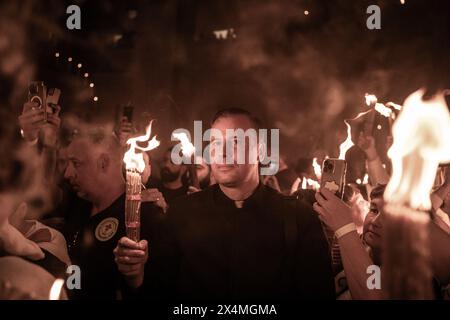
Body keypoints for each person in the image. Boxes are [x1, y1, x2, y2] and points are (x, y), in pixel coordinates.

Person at [115, 107, 335, 300]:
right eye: (215, 142)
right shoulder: (182, 214)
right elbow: (156, 292)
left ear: (259, 150)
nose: (221, 152)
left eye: (235, 142)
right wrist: (136, 275)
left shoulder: (298, 218)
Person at [63, 125, 163, 299]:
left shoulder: (146, 215)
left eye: (76, 164)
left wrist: (135, 277)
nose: (67, 173)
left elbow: (157, 290)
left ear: (103, 163)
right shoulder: (76, 205)